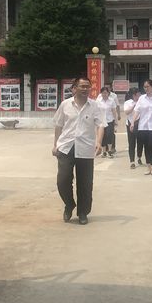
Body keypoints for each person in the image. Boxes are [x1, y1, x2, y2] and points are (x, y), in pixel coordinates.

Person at [52, 77, 105, 225]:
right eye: (82, 86)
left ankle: (83, 212)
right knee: (62, 180)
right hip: (66, 147)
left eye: (88, 86)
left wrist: (99, 142)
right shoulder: (65, 105)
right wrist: (55, 145)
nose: (85, 89)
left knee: (85, 183)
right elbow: (58, 125)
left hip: (85, 148)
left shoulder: (94, 106)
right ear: (74, 88)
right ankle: (69, 204)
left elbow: (101, 125)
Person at [131, 79, 152, 177]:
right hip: (143, 126)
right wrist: (133, 122)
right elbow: (137, 111)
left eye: (147, 86)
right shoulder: (142, 98)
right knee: (146, 147)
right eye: (144, 87)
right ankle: (148, 166)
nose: (146, 88)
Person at [123, 88, 144, 169]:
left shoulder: (142, 102)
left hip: (140, 124)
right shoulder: (128, 102)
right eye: (138, 94)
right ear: (134, 95)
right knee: (131, 143)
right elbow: (126, 112)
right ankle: (132, 161)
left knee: (140, 142)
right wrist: (134, 105)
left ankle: (139, 157)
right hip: (130, 124)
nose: (139, 96)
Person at [97, 87, 120, 158]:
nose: (104, 94)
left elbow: (114, 111)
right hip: (101, 121)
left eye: (106, 93)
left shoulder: (111, 101)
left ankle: (109, 150)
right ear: (101, 93)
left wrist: (116, 121)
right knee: (103, 136)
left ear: (108, 93)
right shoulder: (98, 101)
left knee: (109, 135)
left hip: (110, 120)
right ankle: (104, 151)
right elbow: (96, 111)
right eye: (103, 93)